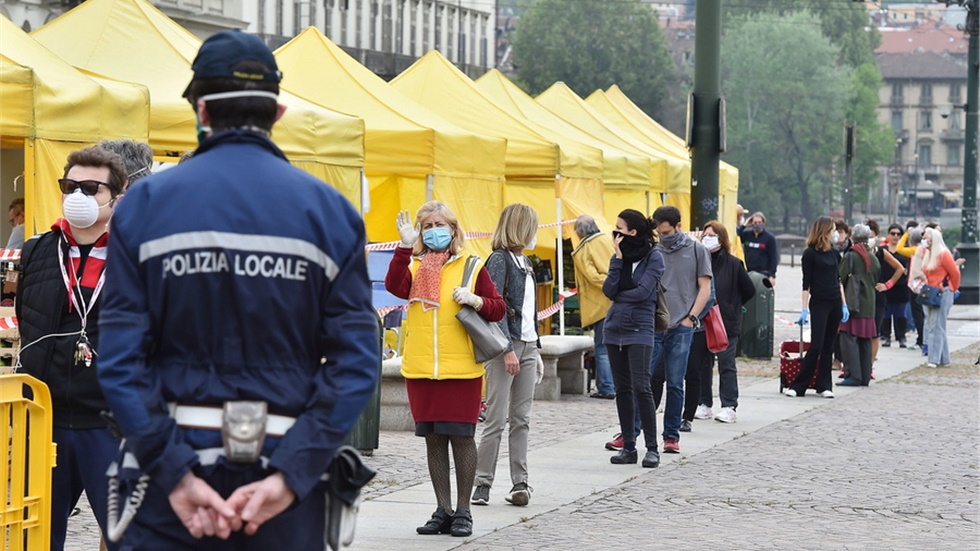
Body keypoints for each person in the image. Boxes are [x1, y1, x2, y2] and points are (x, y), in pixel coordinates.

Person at [96, 30, 380, 549]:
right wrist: (292, 474)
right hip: (284, 474)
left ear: (201, 111)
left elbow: (118, 359)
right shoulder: (331, 214)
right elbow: (357, 360)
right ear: (278, 113)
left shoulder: (145, 206)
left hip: (170, 471)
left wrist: (175, 473)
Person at [16, 146, 125, 551]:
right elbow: (30, 325)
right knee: (39, 539)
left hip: (110, 423)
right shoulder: (38, 250)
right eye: (70, 186)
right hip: (46, 421)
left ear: (117, 194)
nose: (77, 196)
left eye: (91, 188)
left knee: (125, 537)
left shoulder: (135, 256)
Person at [386, 201, 506, 537]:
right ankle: (443, 509)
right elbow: (395, 286)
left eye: (439, 224)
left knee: (462, 438)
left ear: (453, 229)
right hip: (422, 368)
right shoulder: (414, 266)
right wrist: (404, 246)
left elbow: (498, 309)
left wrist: (476, 299)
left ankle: (464, 511)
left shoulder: (472, 265)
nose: (433, 230)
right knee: (434, 440)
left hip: (462, 369)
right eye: (426, 226)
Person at [472, 204, 543, 507]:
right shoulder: (499, 260)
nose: (535, 233)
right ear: (521, 228)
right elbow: (495, 308)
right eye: (533, 227)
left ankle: (520, 482)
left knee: (521, 419)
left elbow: (529, 310)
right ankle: (482, 483)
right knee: (496, 418)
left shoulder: (525, 262)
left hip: (527, 344)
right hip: (507, 346)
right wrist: (507, 350)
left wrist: (535, 347)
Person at [601, 209, 664, 468]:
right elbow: (608, 290)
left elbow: (643, 293)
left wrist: (619, 294)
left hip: (640, 329)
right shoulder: (621, 257)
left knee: (642, 386)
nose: (615, 233)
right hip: (614, 328)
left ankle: (652, 447)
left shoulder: (654, 257)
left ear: (633, 232)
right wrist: (617, 259)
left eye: (619, 228)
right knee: (622, 389)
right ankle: (628, 446)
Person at [649, 206, 712, 454]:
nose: (664, 237)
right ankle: (635, 431)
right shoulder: (653, 249)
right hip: (655, 324)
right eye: (659, 232)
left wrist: (691, 318)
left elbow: (705, 288)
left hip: (682, 326)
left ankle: (671, 435)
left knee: (676, 382)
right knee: (647, 380)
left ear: (678, 225)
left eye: (667, 231)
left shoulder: (696, 249)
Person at [695, 221, 755, 424]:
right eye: (705, 235)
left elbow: (748, 290)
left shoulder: (733, 264)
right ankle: (704, 403)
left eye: (712, 235)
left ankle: (729, 405)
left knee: (726, 363)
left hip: (726, 320)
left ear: (721, 239)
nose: (707, 238)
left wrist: (732, 305)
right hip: (703, 319)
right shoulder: (699, 261)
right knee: (703, 364)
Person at [785, 216, 848, 399]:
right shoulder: (810, 254)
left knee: (829, 345)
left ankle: (824, 384)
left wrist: (844, 304)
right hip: (819, 302)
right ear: (825, 231)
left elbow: (839, 280)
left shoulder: (835, 254)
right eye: (833, 229)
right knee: (816, 345)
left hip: (835, 301)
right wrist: (804, 308)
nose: (835, 233)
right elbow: (806, 284)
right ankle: (799, 385)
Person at [570, 214, 615, 399]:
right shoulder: (607, 239)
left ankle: (606, 387)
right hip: (616, 301)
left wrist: (611, 285)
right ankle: (613, 384)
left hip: (600, 303)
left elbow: (593, 276)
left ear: (580, 232)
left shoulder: (583, 249)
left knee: (602, 347)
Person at [837, 224, 882, 387]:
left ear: (853, 238)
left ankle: (853, 374)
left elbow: (840, 278)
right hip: (869, 304)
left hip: (852, 303)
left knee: (848, 339)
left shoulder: (851, 256)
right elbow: (877, 276)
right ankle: (865, 375)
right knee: (865, 341)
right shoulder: (873, 257)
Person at [917, 227, 961, 368]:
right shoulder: (930, 254)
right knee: (936, 326)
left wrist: (952, 288)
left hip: (942, 292)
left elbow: (955, 273)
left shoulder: (943, 254)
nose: (924, 240)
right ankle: (943, 358)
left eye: (926, 238)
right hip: (932, 292)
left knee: (936, 326)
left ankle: (934, 359)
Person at [879, 223, 910, 348]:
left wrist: (908, 270)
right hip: (886, 285)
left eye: (898, 234)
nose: (895, 236)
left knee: (901, 313)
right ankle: (886, 336)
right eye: (893, 233)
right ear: (888, 235)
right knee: (886, 313)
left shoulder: (905, 251)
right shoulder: (883, 250)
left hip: (901, 285)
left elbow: (912, 263)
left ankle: (901, 337)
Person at [739, 211, 778, 287]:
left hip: (763, 273)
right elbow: (735, 236)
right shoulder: (746, 235)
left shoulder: (770, 238)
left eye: (759, 222)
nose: (757, 225)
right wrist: (744, 226)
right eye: (755, 222)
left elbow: (774, 258)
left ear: (763, 223)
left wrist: (772, 275)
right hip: (748, 273)